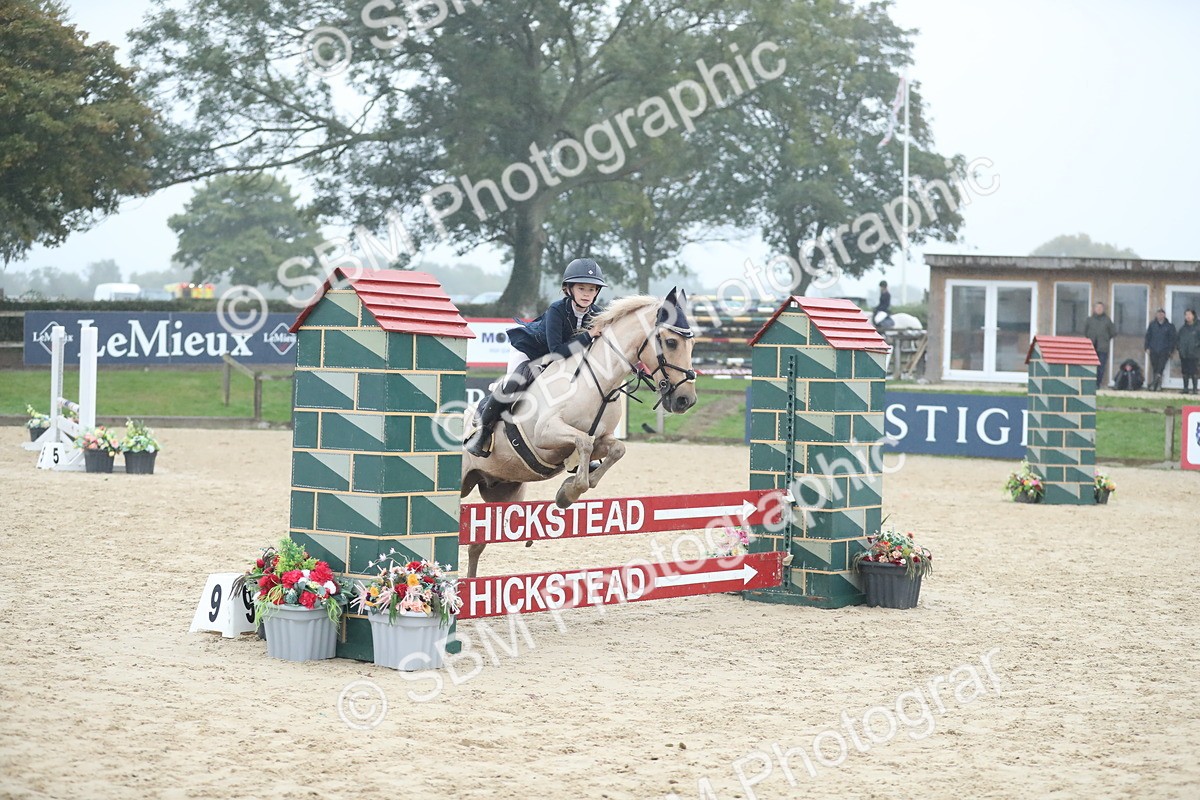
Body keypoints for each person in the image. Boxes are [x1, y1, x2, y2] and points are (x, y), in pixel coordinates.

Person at [465, 258, 608, 457]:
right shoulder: (557, 310)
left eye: (592, 289)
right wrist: (589, 335)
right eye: (582, 288)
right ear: (569, 289)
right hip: (531, 352)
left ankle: (578, 457)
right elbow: (556, 351)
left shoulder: (598, 314)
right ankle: (483, 432)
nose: (587, 294)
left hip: (562, 359)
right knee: (514, 383)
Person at [1082, 301, 1117, 389]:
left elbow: (1113, 332)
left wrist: (1105, 338)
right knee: (1090, 366)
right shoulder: (1089, 320)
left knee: (1101, 367)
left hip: (1102, 348)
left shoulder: (1107, 320)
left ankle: (1098, 384)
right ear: (1094, 309)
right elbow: (1085, 332)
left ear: (1103, 309)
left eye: (1100, 308)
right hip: (1091, 347)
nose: (1099, 309)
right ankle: (1090, 383)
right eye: (1097, 308)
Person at [1143, 308, 1177, 391]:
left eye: (1162, 314)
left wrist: (1171, 350)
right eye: (1158, 314)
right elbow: (1148, 336)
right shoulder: (1152, 325)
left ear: (1164, 315)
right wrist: (1146, 347)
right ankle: (1156, 385)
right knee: (1155, 367)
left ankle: (1155, 385)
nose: (1160, 315)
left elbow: (1173, 339)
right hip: (1153, 349)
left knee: (1160, 368)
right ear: (1156, 315)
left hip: (1164, 351)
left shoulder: (1169, 326)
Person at [1177, 308, 1200, 395]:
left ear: (1193, 315)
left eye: (1189, 314)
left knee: (1195, 372)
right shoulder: (1183, 328)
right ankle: (1185, 389)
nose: (1188, 316)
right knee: (1185, 372)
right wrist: (1179, 349)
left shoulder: (1198, 327)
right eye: (1186, 315)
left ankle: (1195, 389)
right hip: (1184, 355)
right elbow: (1178, 340)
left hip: (1195, 354)